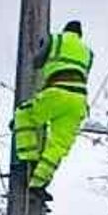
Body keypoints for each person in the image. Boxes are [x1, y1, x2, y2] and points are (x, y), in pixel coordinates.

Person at [12, 20, 92, 192]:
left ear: (65, 30)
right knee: (58, 145)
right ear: (80, 35)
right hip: (78, 101)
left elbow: (36, 62)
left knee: (24, 115)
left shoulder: (55, 40)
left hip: (57, 91)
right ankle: (38, 183)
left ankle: (28, 161)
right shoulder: (88, 52)